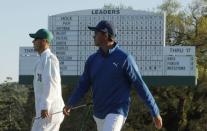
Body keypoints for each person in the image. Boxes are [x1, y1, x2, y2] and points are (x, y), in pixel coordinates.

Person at [63, 20, 162, 131]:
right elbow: (82, 85)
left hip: (117, 112)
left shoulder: (125, 58)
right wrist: (70, 103)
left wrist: (155, 111)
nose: (93, 36)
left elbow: (140, 86)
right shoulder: (92, 60)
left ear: (105, 35)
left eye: (96, 33)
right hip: (99, 114)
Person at [30, 29, 64, 131]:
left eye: (35, 39)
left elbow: (51, 84)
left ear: (44, 41)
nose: (33, 42)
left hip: (50, 110)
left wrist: (45, 105)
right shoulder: (40, 60)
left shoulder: (50, 59)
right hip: (44, 111)